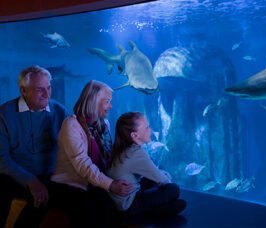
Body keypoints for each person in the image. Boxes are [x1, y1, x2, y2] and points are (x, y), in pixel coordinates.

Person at [50, 80, 132, 227]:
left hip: (96, 181)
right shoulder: (71, 125)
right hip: (72, 184)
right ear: (93, 102)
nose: (110, 106)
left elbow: (109, 156)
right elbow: (83, 165)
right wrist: (111, 184)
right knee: (95, 209)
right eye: (107, 102)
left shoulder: (102, 124)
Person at [0, 65, 68, 227]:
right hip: (14, 176)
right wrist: (31, 182)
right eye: (39, 90)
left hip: (50, 176)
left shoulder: (59, 111)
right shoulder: (4, 114)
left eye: (49, 88)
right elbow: (1, 159)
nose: (47, 94)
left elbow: (74, 146)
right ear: (23, 91)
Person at [108, 111, 186, 216]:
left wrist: (161, 176)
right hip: (127, 206)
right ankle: (149, 212)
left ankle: (154, 208)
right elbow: (163, 180)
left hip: (120, 199)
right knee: (173, 190)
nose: (150, 130)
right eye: (146, 128)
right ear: (135, 135)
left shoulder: (124, 148)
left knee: (155, 180)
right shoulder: (136, 153)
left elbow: (154, 174)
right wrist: (167, 181)